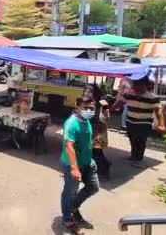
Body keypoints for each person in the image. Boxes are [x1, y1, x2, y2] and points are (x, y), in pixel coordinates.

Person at [61, 97, 100, 234]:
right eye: (85, 107)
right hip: (73, 165)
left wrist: (93, 141)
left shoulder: (87, 120)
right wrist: (74, 168)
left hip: (88, 162)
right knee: (70, 192)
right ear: (77, 106)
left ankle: (73, 207)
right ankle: (67, 218)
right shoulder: (71, 123)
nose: (89, 110)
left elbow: (83, 139)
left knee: (93, 187)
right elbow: (69, 146)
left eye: (91, 108)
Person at [116, 77, 166, 163]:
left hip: (144, 123)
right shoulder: (128, 94)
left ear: (146, 86)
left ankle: (138, 158)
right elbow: (120, 102)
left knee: (141, 140)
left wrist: (161, 124)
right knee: (132, 139)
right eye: (135, 84)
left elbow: (158, 111)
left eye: (139, 85)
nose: (136, 87)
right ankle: (133, 155)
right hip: (130, 122)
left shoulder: (153, 97)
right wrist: (110, 109)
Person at [82, 84, 111, 179]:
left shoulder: (95, 103)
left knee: (95, 153)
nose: (86, 93)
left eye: (89, 91)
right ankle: (104, 166)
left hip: (97, 133)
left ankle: (101, 169)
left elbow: (104, 117)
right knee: (97, 152)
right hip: (95, 132)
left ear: (95, 93)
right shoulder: (96, 102)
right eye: (85, 91)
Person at [114, 57, 141, 130]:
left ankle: (126, 126)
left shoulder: (139, 75)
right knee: (127, 111)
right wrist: (118, 99)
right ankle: (124, 126)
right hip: (128, 97)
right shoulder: (127, 76)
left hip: (136, 98)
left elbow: (121, 89)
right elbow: (121, 89)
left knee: (131, 111)